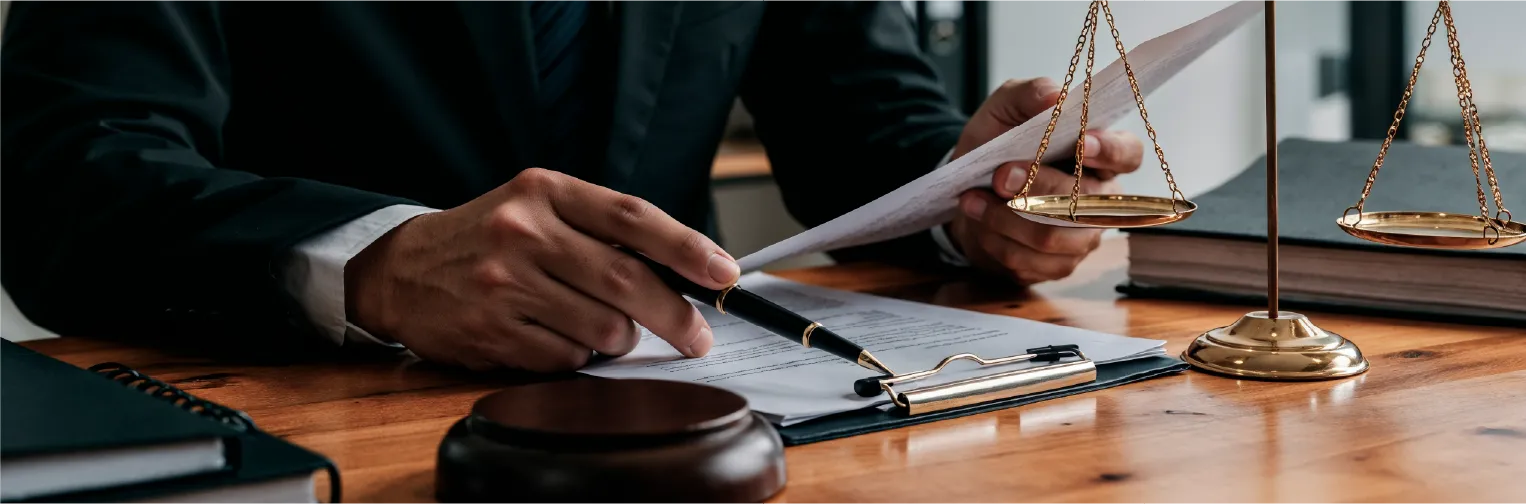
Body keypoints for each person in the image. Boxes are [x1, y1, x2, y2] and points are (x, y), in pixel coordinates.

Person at [1, 0, 1142, 372]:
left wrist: (978, 198)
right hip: (323, 420)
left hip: (705, 415)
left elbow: (863, 123)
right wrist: (375, 260)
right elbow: (69, 184)